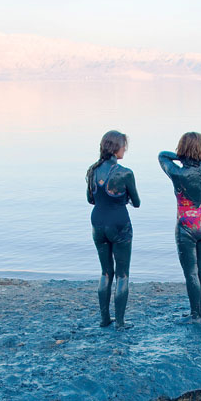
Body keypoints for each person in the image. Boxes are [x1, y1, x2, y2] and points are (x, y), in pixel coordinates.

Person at [158, 132, 201, 322]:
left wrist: (181, 156)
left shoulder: (178, 173)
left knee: (191, 272)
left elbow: (162, 155)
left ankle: (195, 315)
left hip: (187, 226)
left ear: (182, 149)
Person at [86, 130, 140, 329]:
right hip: (119, 223)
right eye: (123, 145)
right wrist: (123, 198)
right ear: (116, 147)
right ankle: (120, 322)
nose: (125, 148)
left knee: (105, 273)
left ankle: (104, 319)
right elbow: (137, 202)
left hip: (98, 222)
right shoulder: (125, 173)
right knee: (122, 274)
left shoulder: (92, 170)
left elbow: (90, 199)